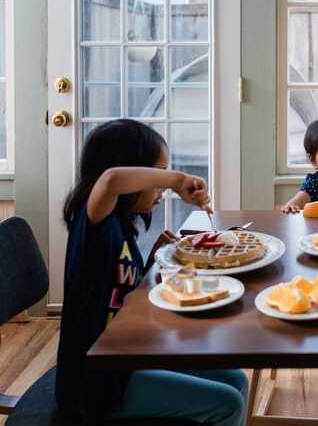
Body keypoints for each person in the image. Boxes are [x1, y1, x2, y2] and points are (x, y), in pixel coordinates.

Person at [56, 119, 248, 425]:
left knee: (236, 380)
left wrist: (153, 260)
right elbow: (109, 180)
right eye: (155, 174)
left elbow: (119, 295)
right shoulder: (94, 224)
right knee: (227, 404)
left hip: (126, 360)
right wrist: (174, 178)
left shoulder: (123, 227)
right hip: (95, 384)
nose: (161, 189)